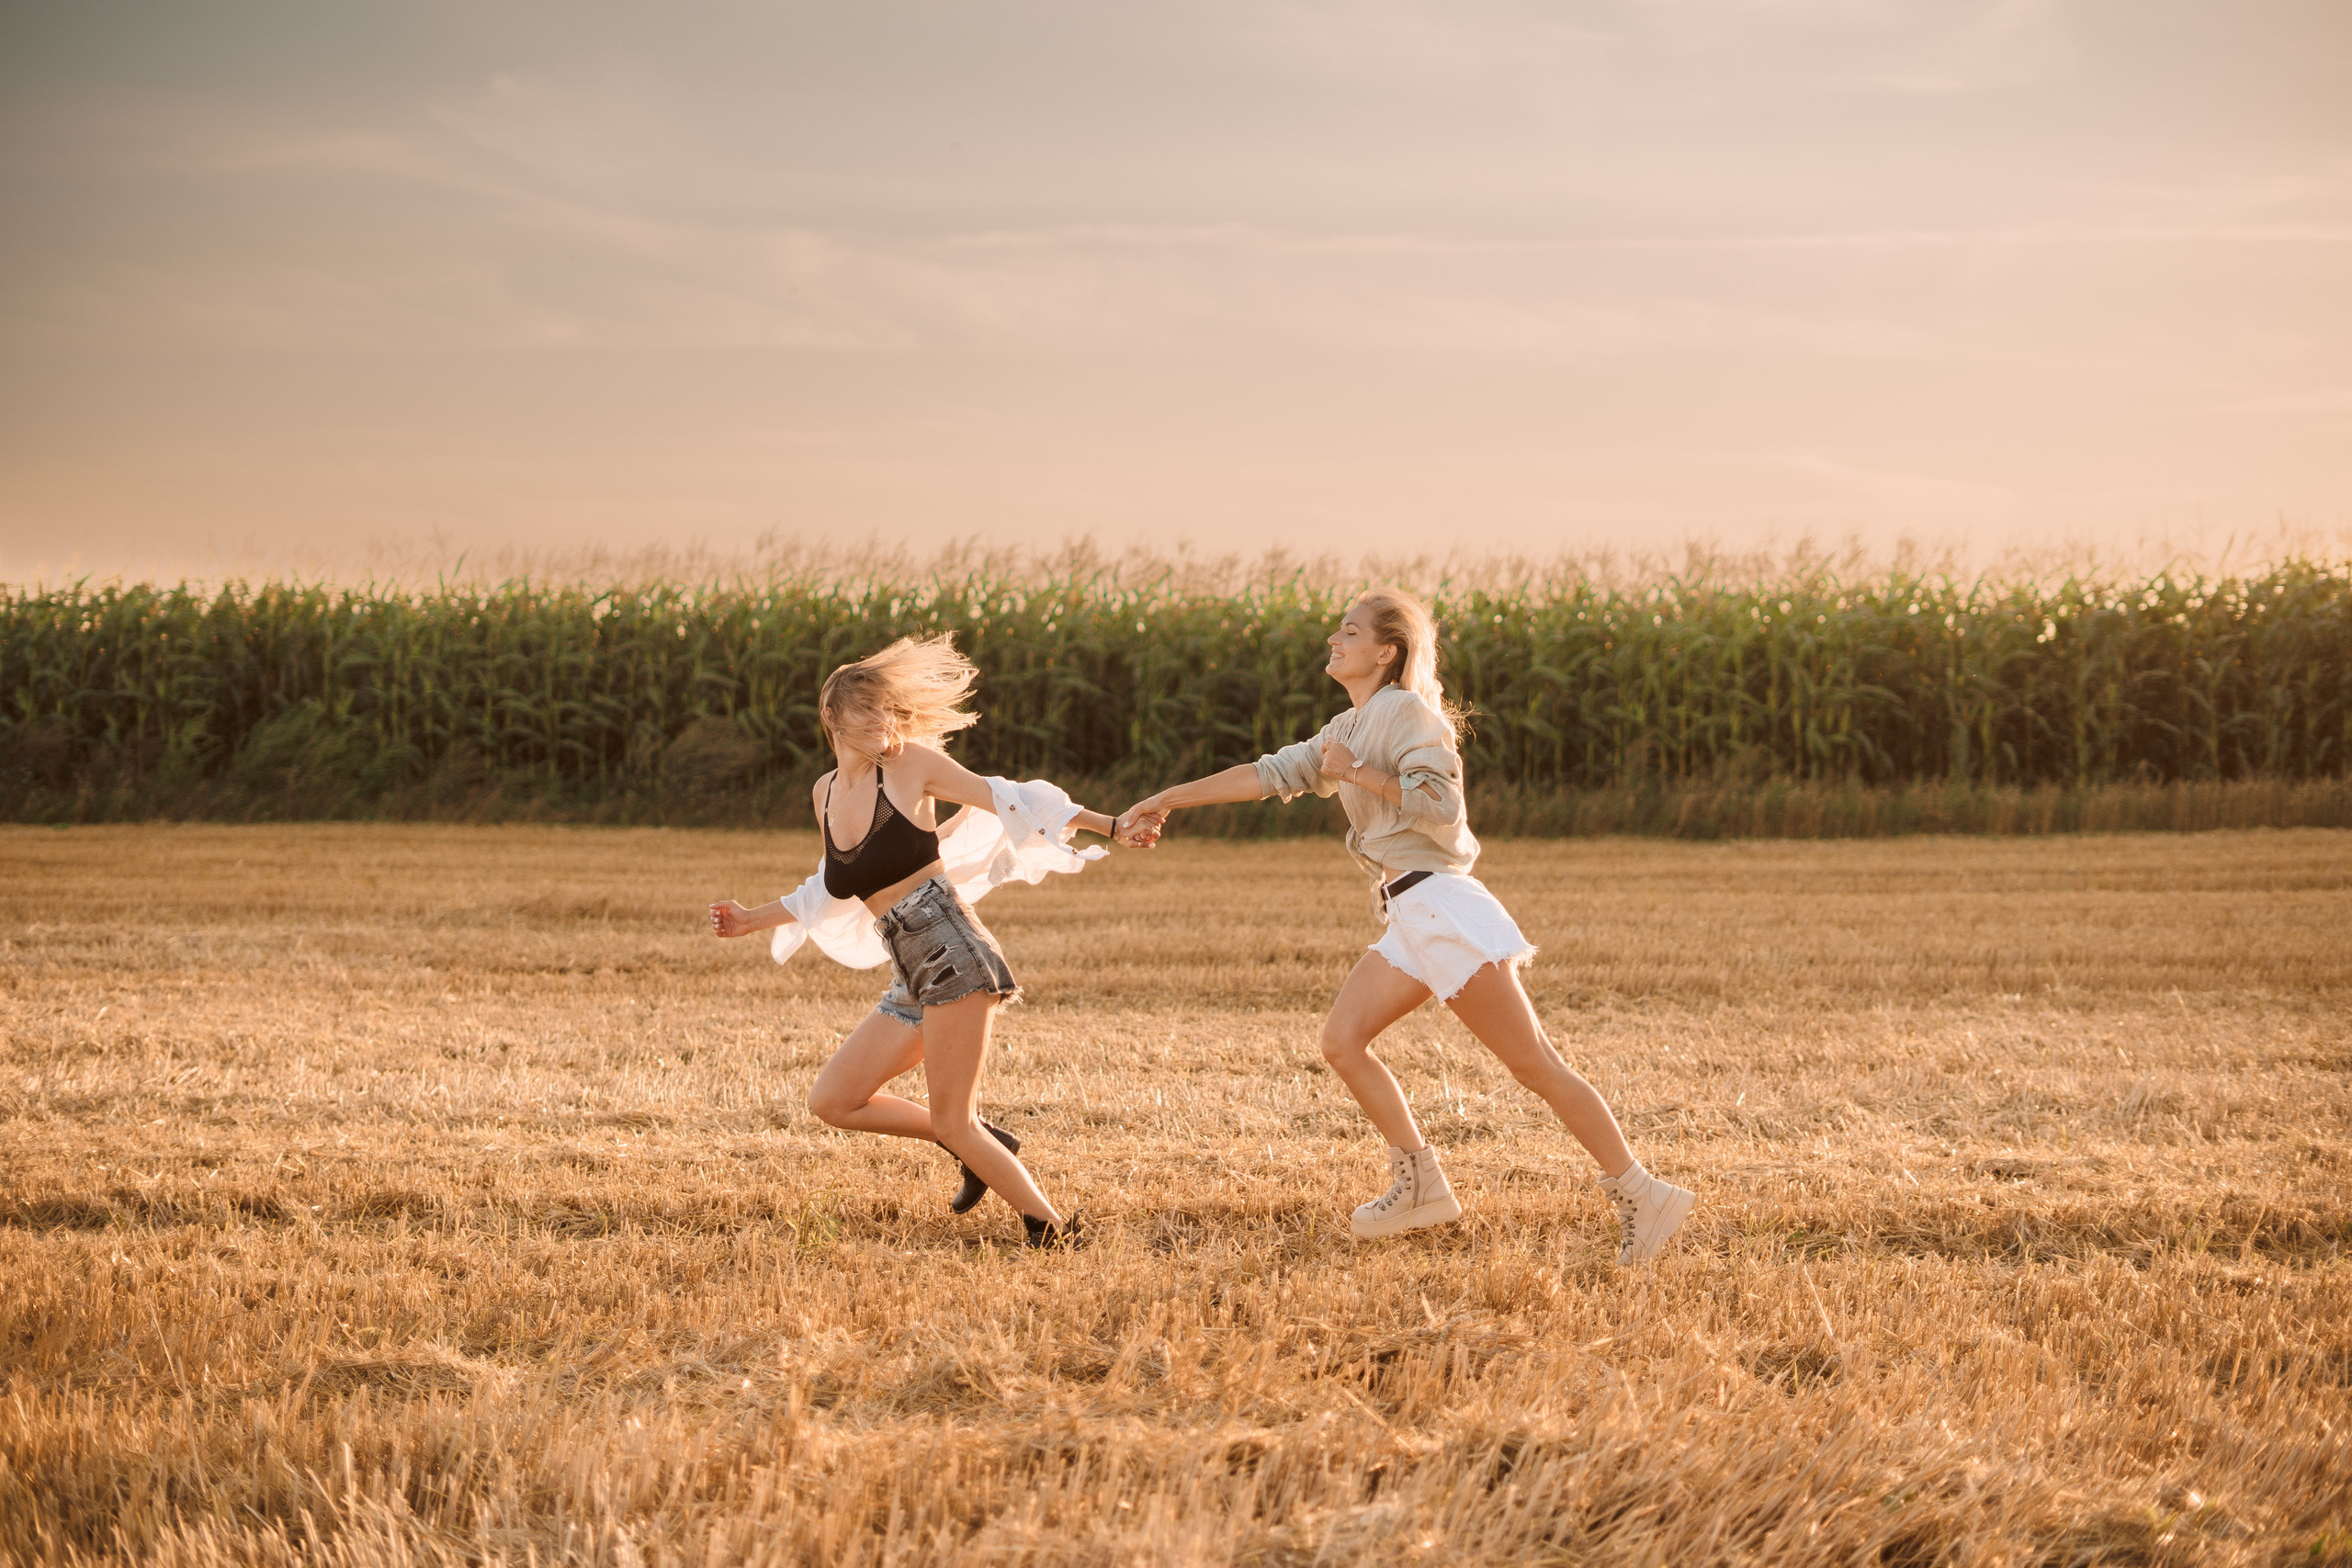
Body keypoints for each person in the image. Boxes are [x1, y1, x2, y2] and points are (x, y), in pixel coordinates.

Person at [1124, 589, 1696, 1264]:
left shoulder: (1406, 713)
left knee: (1534, 1064)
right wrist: (1166, 799)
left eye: (1350, 631)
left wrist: (1358, 774)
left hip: (1440, 905)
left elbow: (1440, 802)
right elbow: (1267, 774)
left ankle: (1643, 1194)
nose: (1334, 640)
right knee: (1342, 1041)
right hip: (1407, 913)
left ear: (1386, 651)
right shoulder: (1347, 724)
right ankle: (1422, 1183)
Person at [708, 633, 1155, 1249]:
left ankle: (1052, 1229)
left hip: (954, 955)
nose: (881, 719)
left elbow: (1010, 798)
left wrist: (1110, 825)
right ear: (831, 714)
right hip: (909, 970)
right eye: (866, 708)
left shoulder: (909, 766)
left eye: (887, 708)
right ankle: (980, 1141)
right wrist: (748, 919)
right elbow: (828, 885)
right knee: (834, 1100)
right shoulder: (825, 792)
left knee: (953, 1119)